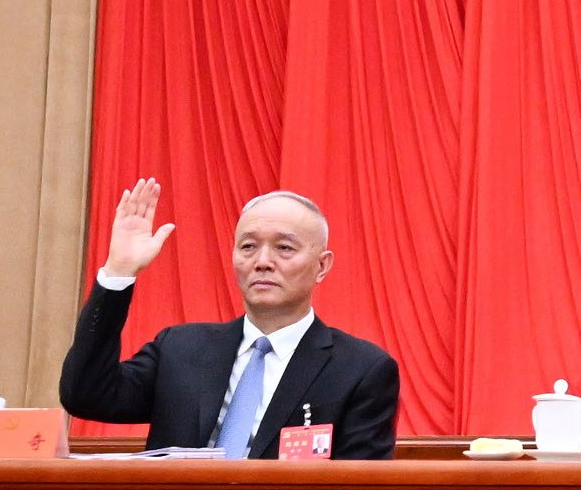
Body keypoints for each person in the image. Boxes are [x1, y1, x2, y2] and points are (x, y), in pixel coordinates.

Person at [60, 178, 400, 457]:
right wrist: (118, 274)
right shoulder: (180, 349)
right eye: (248, 247)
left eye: (284, 248)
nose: (263, 261)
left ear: (322, 266)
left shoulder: (360, 369)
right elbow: (87, 395)